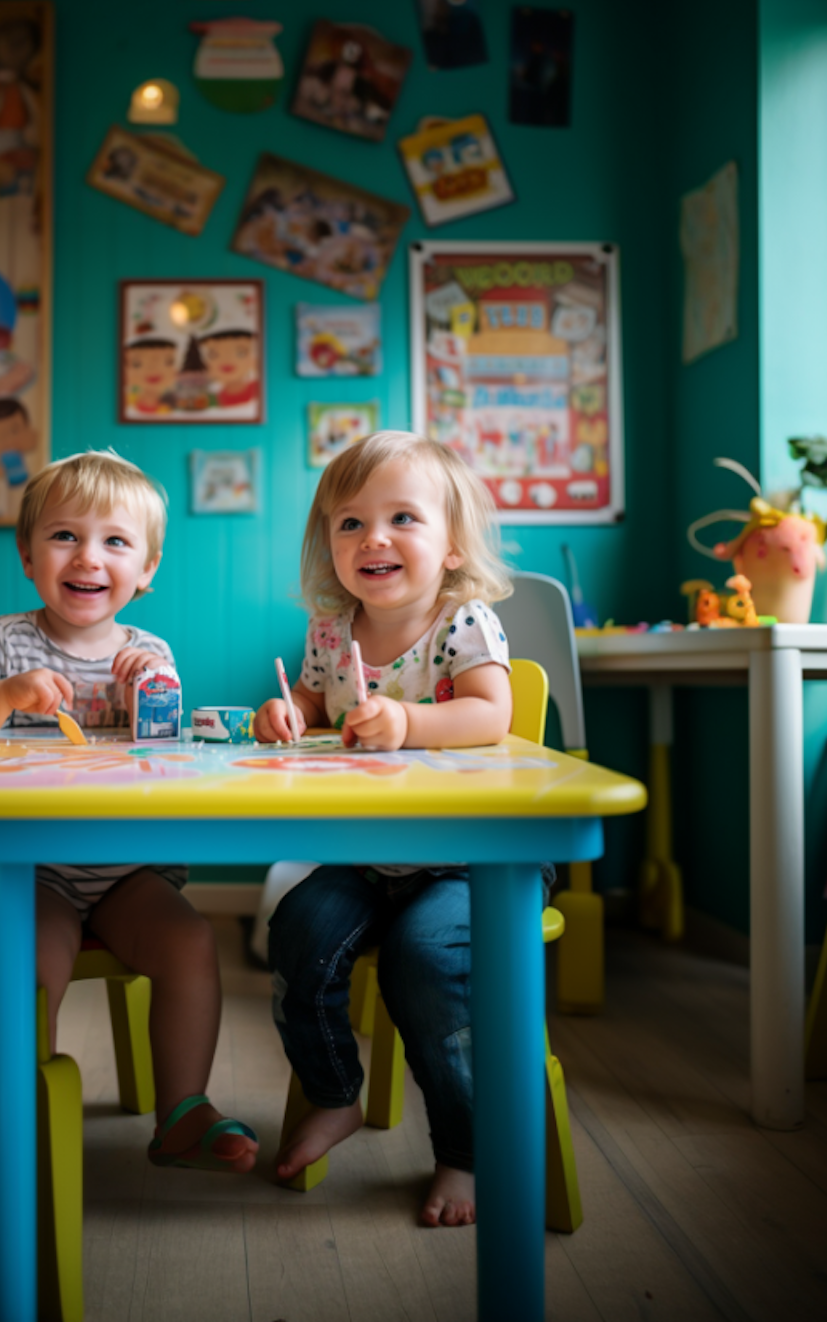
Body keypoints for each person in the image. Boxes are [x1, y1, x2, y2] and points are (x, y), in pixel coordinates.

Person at [0, 449, 258, 1173]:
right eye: (64, 536)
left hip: (123, 870)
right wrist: (6, 697)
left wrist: (155, 696)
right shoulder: (2, 643)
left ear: (146, 569)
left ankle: (182, 1111)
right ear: (27, 554)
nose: (88, 556)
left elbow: (168, 766)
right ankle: (2, 1095)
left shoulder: (149, 652)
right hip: (16, 868)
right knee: (31, 953)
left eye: (115, 540)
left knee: (191, 945)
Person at [254, 430, 514, 1227]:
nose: (375, 538)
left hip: (470, 859)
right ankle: (335, 1093)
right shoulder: (333, 632)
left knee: (425, 960)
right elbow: (313, 702)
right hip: (371, 857)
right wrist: (286, 714)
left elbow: (489, 714)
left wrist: (406, 718)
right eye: (351, 523)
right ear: (327, 544)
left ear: (453, 544)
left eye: (404, 517)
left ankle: (465, 1150)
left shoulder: (461, 621)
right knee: (295, 928)